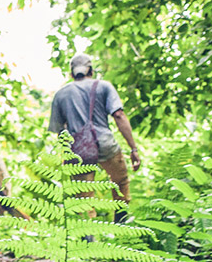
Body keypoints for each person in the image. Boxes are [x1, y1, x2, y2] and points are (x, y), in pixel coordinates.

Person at [48, 53, 142, 219]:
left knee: (83, 198)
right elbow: (119, 115)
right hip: (105, 144)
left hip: (77, 151)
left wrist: (66, 157)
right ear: (90, 71)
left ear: (71, 74)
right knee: (120, 182)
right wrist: (133, 148)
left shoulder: (60, 95)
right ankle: (122, 224)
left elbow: (59, 132)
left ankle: (88, 237)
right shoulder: (104, 86)